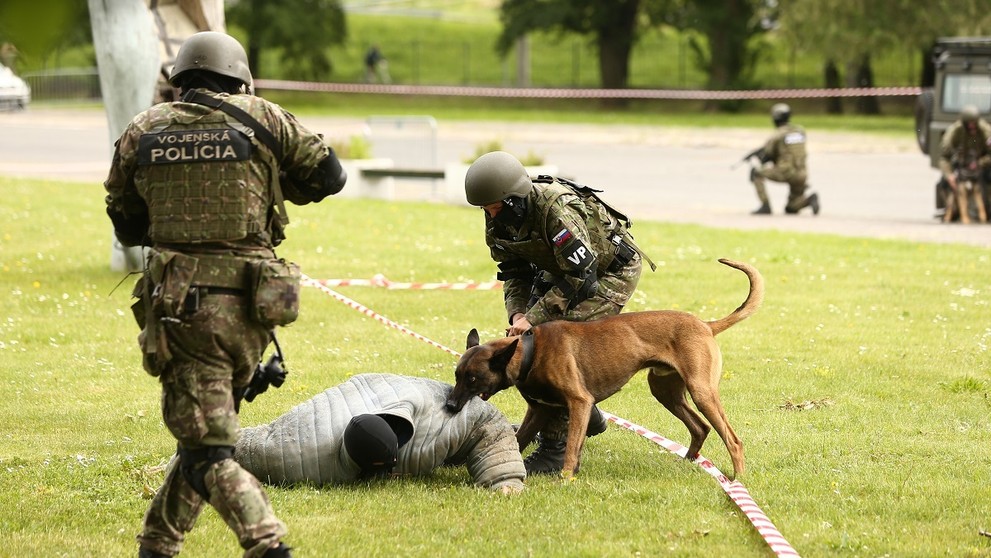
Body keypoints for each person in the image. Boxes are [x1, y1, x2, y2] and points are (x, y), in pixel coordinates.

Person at [103, 31, 347, 558]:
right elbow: (331, 175)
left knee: (208, 451)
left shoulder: (144, 129)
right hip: (254, 310)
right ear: (239, 77)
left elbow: (125, 224)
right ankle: (157, 545)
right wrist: (274, 183)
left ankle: (267, 544)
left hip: (183, 310)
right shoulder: (263, 117)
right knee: (203, 441)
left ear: (178, 81)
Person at [463, 150, 653, 475]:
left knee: (559, 345)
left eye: (493, 208)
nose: (489, 215)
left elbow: (583, 276)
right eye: (485, 209)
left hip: (607, 272)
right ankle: (582, 408)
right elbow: (512, 272)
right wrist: (517, 315)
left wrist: (534, 319)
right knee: (529, 348)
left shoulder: (556, 211)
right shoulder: (500, 218)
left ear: (513, 200)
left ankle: (555, 449)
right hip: (560, 271)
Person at [235, 373, 526, 493]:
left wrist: (505, 481)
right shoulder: (279, 449)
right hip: (373, 396)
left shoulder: (476, 417)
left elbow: (494, 434)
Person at [749, 103, 820, 216]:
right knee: (791, 208)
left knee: (756, 173)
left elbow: (768, 154)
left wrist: (758, 157)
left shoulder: (778, 134)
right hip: (802, 174)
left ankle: (765, 205)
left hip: (786, 172)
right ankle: (809, 200)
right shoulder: (800, 131)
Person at [937, 104, 991, 223]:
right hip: (961, 166)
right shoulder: (954, 132)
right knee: (944, 184)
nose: (972, 127)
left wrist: (980, 162)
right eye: (969, 124)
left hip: (981, 165)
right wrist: (949, 175)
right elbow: (944, 157)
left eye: (974, 124)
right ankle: (952, 211)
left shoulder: (985, 131)